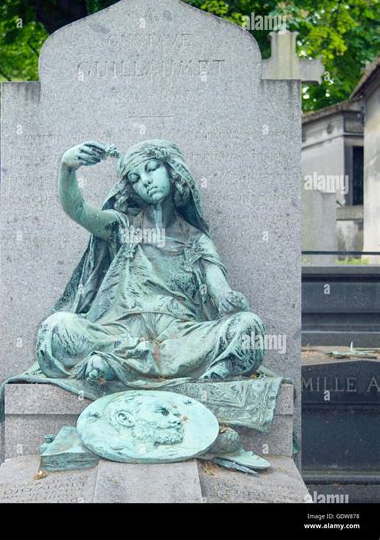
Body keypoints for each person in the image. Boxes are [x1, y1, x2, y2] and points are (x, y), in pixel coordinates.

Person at [36, 139, 266, 386]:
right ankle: (144, 367)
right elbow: (79, 210)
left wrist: (230, 301)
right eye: (135, 179)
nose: (145, 181)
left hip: (179, 339)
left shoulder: (196, 240)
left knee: (248, 327)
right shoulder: (122, 227)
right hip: (120, 334)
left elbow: (220, 291)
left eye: (152, 168)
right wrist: (67, 168)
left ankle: (116, 366)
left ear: (172, 171)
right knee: (56, 328)